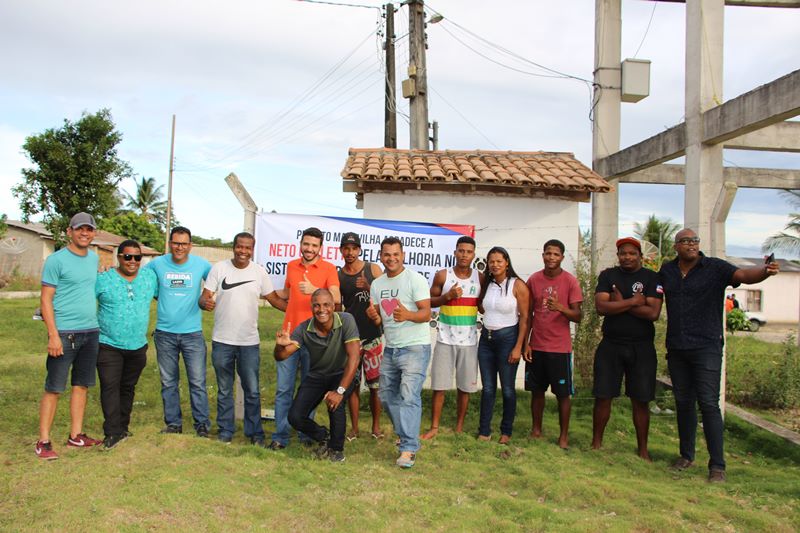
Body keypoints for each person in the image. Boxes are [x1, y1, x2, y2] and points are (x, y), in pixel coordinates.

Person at [659, 228, 779, 483]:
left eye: (694, 241)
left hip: (707, 347)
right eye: (685, 241)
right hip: (678, 347)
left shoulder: (715, 268)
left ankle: (717, 466)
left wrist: (765, 272)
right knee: (683, 402)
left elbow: (745, 275)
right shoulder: (667, 271)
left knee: (709, 403)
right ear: (676, 246)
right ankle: (686, 456)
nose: (691, 244)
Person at [35, 213, 103, 459]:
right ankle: (43, 441)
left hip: (90, 331)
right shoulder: (56, 260)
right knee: (54, 387)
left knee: (81, 385)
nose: (85, 233)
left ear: (93, 233)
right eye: (80, 229)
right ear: (69, 231)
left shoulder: (94, 258)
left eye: (89, 229)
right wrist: (53, 334)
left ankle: (76, 436)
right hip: (64, 332)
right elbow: (45, 298)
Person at [199, 232, 277, 447]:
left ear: (253, 250)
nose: (243, 251)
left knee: (252, 390)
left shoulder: (259, 272)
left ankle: (255, 433)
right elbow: (204, 297)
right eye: (239, 247)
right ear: (233, 247)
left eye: (247, 248)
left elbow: (274, 299)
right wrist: (204, 302)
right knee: (224, 389)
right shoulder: (219, 269)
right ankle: (226, 430)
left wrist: (299, 308)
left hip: (249, 342)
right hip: (222, 340)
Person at [267, 227, 341, 450]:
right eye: (306, 244)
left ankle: (306, 435)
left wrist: (315, 289)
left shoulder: (328, 268)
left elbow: (336, 299)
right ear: (301, 244)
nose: (309, 249)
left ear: (321, 248)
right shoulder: (291, 266)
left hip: (316, 339)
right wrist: (264, 289)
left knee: (309, 390)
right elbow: (288, 295)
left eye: (314, 245)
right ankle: (280, 436)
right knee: (283, 389)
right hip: (290, 336)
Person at [591, 237, 663, 460]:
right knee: (603, 395)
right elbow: (601, 307)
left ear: (640, 256)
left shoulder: (652, 278)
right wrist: (633, 302)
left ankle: (642, 449)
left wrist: (620, 303)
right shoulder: (608, 276)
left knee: (641, 399)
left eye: (632, 253)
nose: (627, 257)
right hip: (611, 344)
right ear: (618, 255)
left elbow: (653, 313)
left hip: (641, 347)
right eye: (623, 253)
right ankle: (596, 443)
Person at [366, 237, 431, 468]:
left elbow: (427, 314)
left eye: (396, 254)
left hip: (415, 347)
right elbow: (380, 317)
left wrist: (409, 315)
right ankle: (406, 434)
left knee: (408, 394)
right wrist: (374, 317)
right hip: (391, 348)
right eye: (386, 254)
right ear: (381, 256)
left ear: (403, 255)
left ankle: (408, 448)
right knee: (385, 395)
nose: (391, 258)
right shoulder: (377, 285)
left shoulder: (415, 279)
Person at [274, 289, 361, 462]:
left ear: (334, 306)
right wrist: (280, 346)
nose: (322, 309)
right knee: (295, 416)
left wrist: (340, 391)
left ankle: (336, 450)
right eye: (317, 305)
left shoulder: (346, 320)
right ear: (312, 307)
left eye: (326, 305)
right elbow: (281, 356)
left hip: (342, 372)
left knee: (335, 403)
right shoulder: (305, 328)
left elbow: (354, 357)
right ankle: (324, 436)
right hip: (317, 375)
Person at [146, 226, 212, 437]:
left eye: (184, 243)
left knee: (198, 382)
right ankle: (173, 423)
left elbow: (218, 280)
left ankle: (202, 424)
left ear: (190, 245)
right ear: (170, 244)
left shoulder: (202, 265)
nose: (179, 247)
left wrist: (210, 298)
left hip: (192, 333)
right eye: (176, 243)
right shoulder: (157, 264)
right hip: (165, 333)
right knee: (168, 382)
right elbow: (144, 283)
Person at [95, 239, 159, 449]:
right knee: (110, 387)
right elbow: (84, 300)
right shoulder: (103, 278)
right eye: (128, 257)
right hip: (108, 344)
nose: (133, 261)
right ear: (119, 258)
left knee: (128, 387)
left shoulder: (149, 278)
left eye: (137, 257)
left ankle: (123, 427)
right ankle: (112, 432)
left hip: (137, 345)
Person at [524, 239, 583, 449]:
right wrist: (526, 343)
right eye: (548, 253)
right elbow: (528, 314)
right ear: (542, 255)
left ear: (562, 258)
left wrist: (561, 307)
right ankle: (536, 429)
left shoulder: (570, 281)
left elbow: (578, 315)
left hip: (560, 349)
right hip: (537, 345)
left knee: (563, 395)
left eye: (556, 254)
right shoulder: (534, 280)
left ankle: (563, 436)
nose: (551, 257)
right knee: (537, 391)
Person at [423, 236, 483, 440]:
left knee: (464, 387)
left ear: (474, 254)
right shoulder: (442, 275)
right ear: (455, 252)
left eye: (468, 251)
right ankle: (434, 427)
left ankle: (459, 427)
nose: (464, 255)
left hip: (469, 341)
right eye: (461, 251)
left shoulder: (480, 277)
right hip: (445, 339)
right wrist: (447, 297)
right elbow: (430, 302)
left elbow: (483, 305)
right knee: (439, 386)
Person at [476, 247, 530, 444]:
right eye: (491, 261)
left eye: (499, 261)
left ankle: (506, 431)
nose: (495, 265)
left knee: (507, 388)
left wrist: (519, 346)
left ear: (507, 262)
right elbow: (482, 306)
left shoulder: (518, 285)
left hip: (508, 339)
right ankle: (484, 430)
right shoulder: (487, 284)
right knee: (488, 388)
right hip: (486, 340)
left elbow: (524, 318)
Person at [337, 232, 385, 440]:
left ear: (359, 250)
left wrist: (369, 287)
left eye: (353, 248)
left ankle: (376, 427)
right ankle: (354, 429)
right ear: (341, 250)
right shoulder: (339, 276)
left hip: (373, 336)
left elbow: (387, 295)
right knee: (352, 385)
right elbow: (338, 306)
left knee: (376, 387)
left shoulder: (372, 269)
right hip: (352, 340)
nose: (350, 252)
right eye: (346, 248)